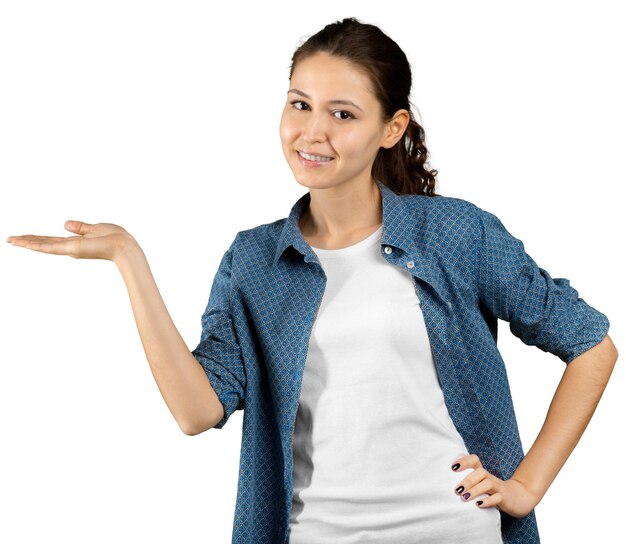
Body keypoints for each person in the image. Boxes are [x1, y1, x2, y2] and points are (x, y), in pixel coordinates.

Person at [6, 17, 617, 544]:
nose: (312, 132)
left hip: (454, 529)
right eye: (299, 103)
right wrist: (129, 261)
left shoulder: (456, 235)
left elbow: (591, 345)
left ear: (392, 128)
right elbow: (197, 411)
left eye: (342, 114)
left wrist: (526, 487)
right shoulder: (254, 261)